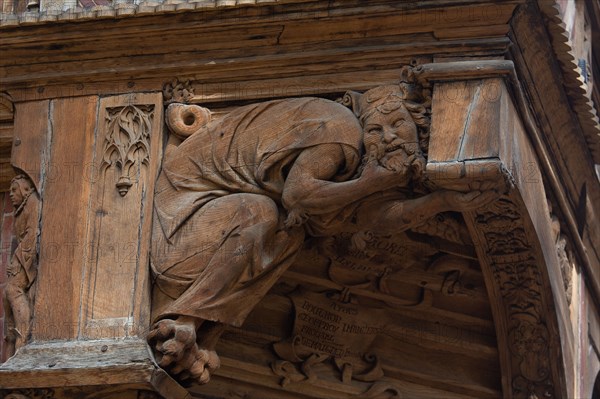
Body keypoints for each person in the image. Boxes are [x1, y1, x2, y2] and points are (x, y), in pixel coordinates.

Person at [147, 82, 496, 384]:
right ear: (363, 128)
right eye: (377, 129)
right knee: (261, 213)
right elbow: (298, 195)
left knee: (288, 232)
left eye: (398, 126)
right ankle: (184, 318)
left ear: (418, 126)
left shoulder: (378, 166)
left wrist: (440, 201)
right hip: (176, 225)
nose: (388, 137)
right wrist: (367, 183)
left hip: (207, 228)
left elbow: (374, 216)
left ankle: (201, 330)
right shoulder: (341, 132)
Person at [3, 174, 40, 357]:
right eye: (9, 190)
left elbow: (32, 236)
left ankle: (23, 337)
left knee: (12, 290)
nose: (10, 194)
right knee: (6, 295)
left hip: (27, 260)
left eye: (14, 189)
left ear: (26, 190)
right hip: (20, 258)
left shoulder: (33, 202)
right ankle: (11, 337)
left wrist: (18, 262)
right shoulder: (22, 207)